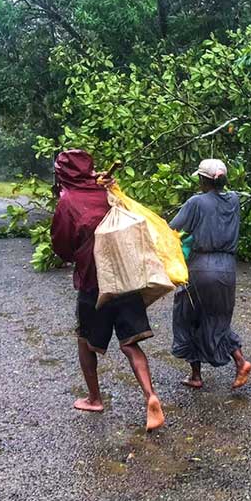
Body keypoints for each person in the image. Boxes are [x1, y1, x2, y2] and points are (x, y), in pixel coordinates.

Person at [50, 149, 165, 431]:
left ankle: (94, 398)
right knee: (130, 343)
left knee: (84, 340)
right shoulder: (109, 191)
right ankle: (151, 395)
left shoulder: (68, 201)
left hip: (94, 282)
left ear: (63, 173)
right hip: (126, 278)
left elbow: (62, 246)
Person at [169, 159, 251, 390]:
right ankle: (240, 361)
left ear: (203, 179)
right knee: (218, 318)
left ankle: (196, 375)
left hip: (201, 266)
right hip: (227, 268)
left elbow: (172, 228)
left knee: (188, 317)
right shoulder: (234, 200)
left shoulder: (196, 202)